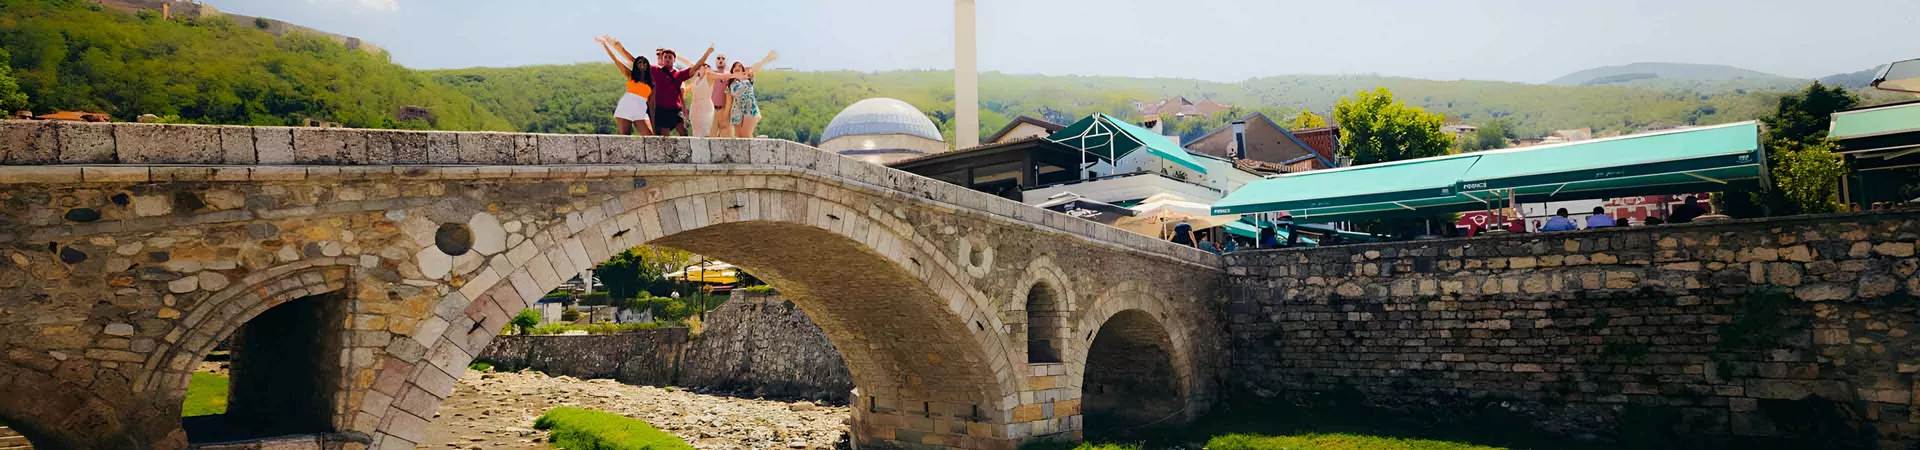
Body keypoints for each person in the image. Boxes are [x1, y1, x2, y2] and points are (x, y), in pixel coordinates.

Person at [649, 44, 714, 136]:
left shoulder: (678, 74)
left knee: (684, 132)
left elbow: (696, 67)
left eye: (670, 57)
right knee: (664, 136)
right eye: (665, 57)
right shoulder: (655, 70)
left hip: (675, 110)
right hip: (661, 109)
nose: (667, 59)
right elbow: (638, 64)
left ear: (674, 60)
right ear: (662, 59)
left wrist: (707, 53)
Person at [595, 36, 652, 136]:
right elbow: (616, 59)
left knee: (649, 135)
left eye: (644, 64)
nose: (642, 66)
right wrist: (606, 45)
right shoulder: (630, 75)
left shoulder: (651, 80)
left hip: (641, 108)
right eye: (639, 64)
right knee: (625, 136)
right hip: (626, 107)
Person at [716, 51, 778, 138]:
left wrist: (767, 58)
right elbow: (728, 104)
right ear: (732, 70)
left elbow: (756, 67)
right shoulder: (730, 84)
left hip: (749, 109)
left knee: (747, 134)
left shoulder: (747, 78)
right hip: (737, 112)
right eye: (735, 66)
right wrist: (724, 120)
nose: (737, 67)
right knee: (739, 137)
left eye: (739, 66)